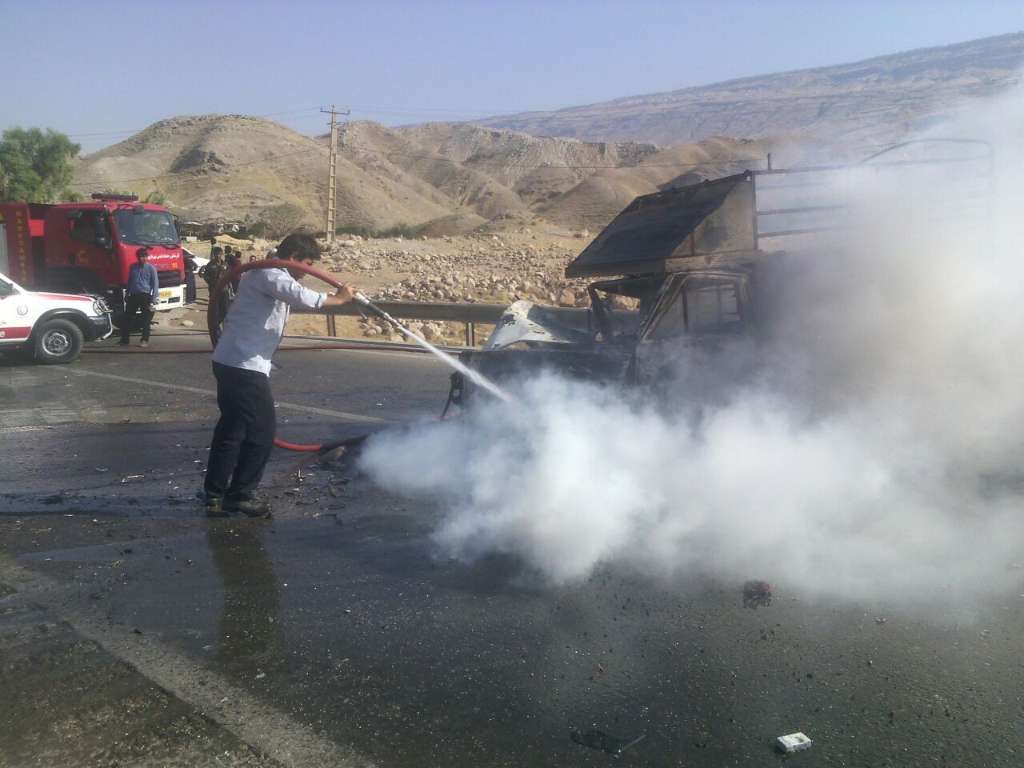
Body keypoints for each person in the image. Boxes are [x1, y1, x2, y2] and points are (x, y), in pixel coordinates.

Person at [202, 232, 356, 517]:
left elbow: (293, 297)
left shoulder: (266, 276)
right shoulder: (269, 274)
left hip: (231, 360)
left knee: (232, 430)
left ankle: (214, 494)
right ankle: (241, 495)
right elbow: (303, 297)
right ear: (294, 259)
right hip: (244, 366)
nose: (308, 272)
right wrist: (340, 299)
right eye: (307, 265)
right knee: (262, 432)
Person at [120, 247, 159, 347]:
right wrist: (127, 293)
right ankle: (124, 340)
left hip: (145, 296)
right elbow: (130, 281)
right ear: (138, 257)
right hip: (133, 295)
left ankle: (144, 340)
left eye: (145, 256)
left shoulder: (151, 268)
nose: (144, 258)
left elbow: (155, 284)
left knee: (146, 319)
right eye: (141, 256)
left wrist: (154, 299)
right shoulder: (133, 267)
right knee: (127, 318)